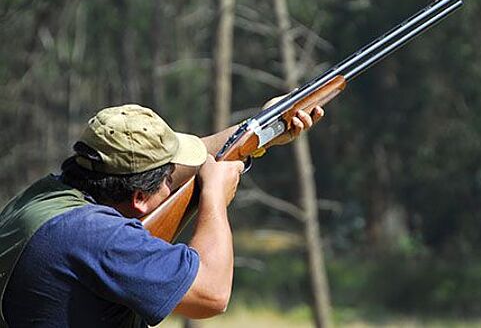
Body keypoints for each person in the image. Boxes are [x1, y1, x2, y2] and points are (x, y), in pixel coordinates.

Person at [0, 102, 323, 327]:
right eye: (168, 179)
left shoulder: (47, 197)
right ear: (140, 197)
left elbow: (196, 155)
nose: (175, 180)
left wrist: (263, 127)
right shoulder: (100, 238)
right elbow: (212, 294)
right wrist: (214, 198)